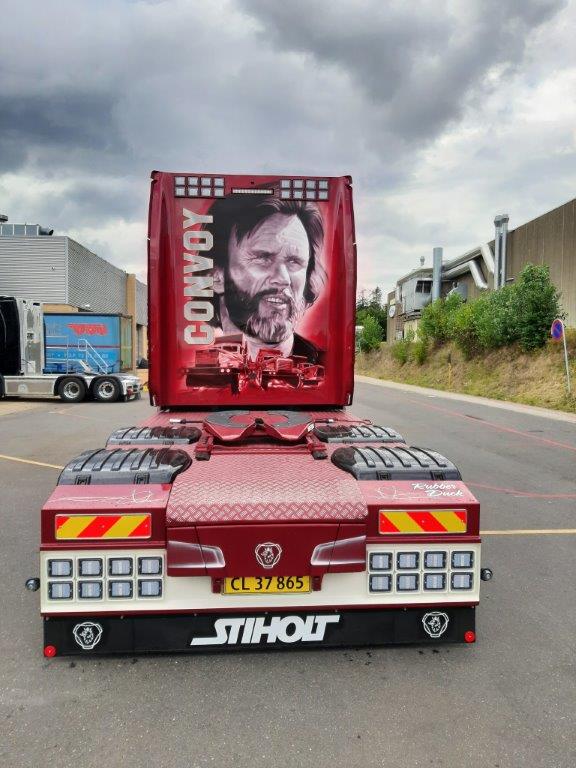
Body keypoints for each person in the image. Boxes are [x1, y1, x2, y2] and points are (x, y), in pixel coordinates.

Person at [206, 195, 326, 361]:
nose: (283, 279)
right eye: (263, 258)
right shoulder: (196, 365)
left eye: (294, 261)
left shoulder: (325, 366)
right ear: (216, 276)